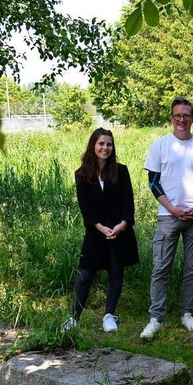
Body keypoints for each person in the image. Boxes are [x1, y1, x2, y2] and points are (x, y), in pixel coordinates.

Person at [139, 97, 193, 339]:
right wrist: (172, 209)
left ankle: (187, 313)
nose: (182, 119)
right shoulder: (160, 145)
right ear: (171, 118)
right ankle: (156, 317)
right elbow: (153, 182)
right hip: (168, 216)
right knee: (161, 267)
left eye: (186, 115)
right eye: (177, 115)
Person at [63, 128, 139, 333]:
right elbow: (85, 208)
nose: (105, 148)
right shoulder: (81, 174)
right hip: (96, 232)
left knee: (116, 273)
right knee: (85, 274)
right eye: (101, 144)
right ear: (93, 145)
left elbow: (128, 204)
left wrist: (121, 226)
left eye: (109, 144)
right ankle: (73, 318)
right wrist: (100, 227)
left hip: (119, 231)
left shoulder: (121, 171)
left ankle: (108, 315)